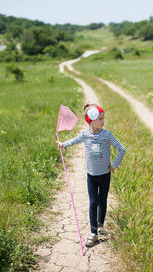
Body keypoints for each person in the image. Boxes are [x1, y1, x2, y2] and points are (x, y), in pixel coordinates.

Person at [57, 104, 126, 247]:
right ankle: (93, 232)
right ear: (91, 120)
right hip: (91, 176)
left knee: (102, 201)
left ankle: (100, 227)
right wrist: (63, 144)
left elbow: (121, 149)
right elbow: (74, 141)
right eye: (100, 119)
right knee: (93, 202)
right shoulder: (84, 135)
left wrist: (114, 165)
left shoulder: (107, 135)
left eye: (103, 119)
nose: (103, 121)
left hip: (105, 174)